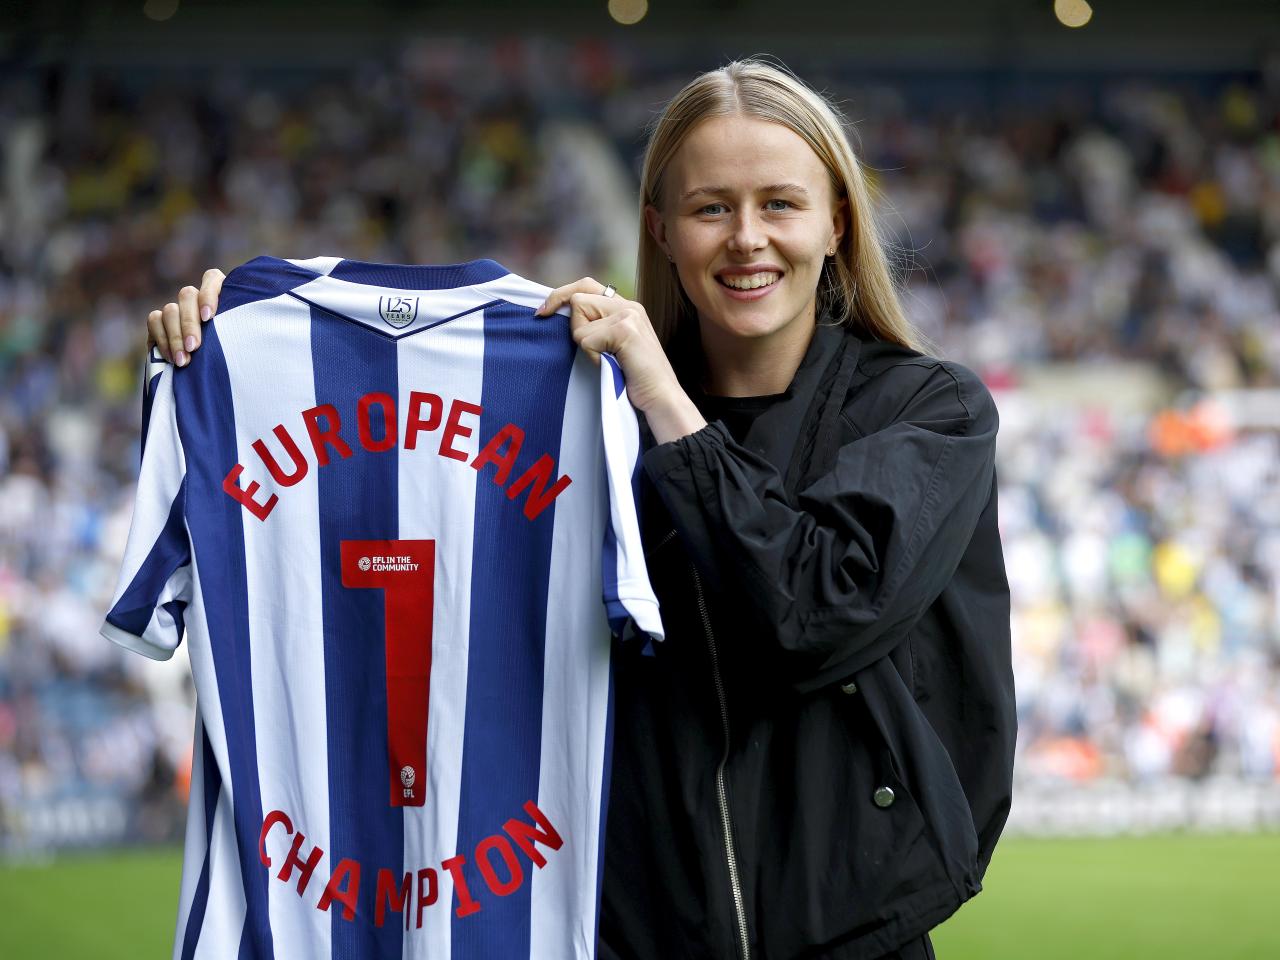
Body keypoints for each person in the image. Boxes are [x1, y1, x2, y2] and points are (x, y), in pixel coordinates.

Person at [145, 57, 1015, 960]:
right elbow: (394, 487)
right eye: (712, 207)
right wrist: (230, 343)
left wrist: (669, 411)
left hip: (858, 937)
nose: (747, 238)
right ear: (662, 230)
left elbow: (816, 613)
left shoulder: (935, 410)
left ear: (836, 222)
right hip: (630, 937)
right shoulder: (582, 416)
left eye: (780, 205)